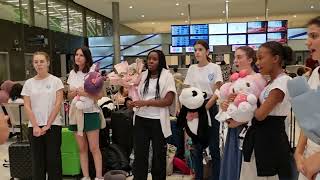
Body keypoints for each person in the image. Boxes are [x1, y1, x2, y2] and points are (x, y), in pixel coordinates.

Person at [237, 41, 294, 180]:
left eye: (261, 58)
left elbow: (261, 114)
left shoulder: (283, 82)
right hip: (262, 138)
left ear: (275, 59)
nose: (257, 62)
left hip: (271, 139)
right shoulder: (270, 82)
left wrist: (247, 105)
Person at [129, 50, 176, 180]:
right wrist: (131, 102)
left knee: (158, 156)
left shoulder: (167, 76)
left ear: (160, 61)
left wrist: (146, 102)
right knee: (140, 155)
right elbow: (133, 93)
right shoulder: (143, 75)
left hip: (158, 121)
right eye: (149, 59)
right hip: (140, 119)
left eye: (154, 59)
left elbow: (168, 100)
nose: (150, 61)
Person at [184, 40, 223, 180]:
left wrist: (206, 107)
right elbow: (186, 90)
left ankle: (217, 177)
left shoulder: (214, 68)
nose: (197, 52)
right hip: (194, 107)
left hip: (210, 107)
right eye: (195, 50)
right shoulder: (192, 68)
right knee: (197, 148)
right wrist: (188, 109)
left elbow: (219, 90)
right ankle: (198, 176)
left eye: (200, 49)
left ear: (207, 52)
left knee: (213, 147)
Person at [21, 51, 64, 180]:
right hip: (34, 127)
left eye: (41, 61)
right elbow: (27, 106)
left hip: (53, 125)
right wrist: (35, 126)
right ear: (33, 64)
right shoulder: (28, 83)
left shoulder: (56, 81)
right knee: (37, 162)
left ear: (48, 63)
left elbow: (57, 104)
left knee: (53, 161)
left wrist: (48, 125)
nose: (39, 64)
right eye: (36, 62)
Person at [219, 46, 258, 180]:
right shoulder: (234, 81)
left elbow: (257, 107)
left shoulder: (257, 80)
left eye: (239, 57)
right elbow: (228, 103)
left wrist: (239, 121)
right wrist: (225, 105)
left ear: (251, 59)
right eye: (235, 57)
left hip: (249, 130)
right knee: (232, 163)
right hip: (233, 129)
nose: (235, 60)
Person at [67, 47, 104, 180]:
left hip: (91, 113)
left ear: (87, 57)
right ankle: (86, 176)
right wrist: (76, 92)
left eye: (81, 55)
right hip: (76, 113)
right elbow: (69, 95)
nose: (78, 57)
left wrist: (85, 93)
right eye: (76, 54)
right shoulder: (72, 73)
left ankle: (99, 176)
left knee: (94, 147)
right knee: (82, 148)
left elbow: (99, 96)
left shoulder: (94, 73)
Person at [294, 16, 320, 180]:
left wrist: (317, 161)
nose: (307, 42)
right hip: (309, 157)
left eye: (314, 36)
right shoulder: (315, 74)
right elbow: (308, 118)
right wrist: (298, 151)